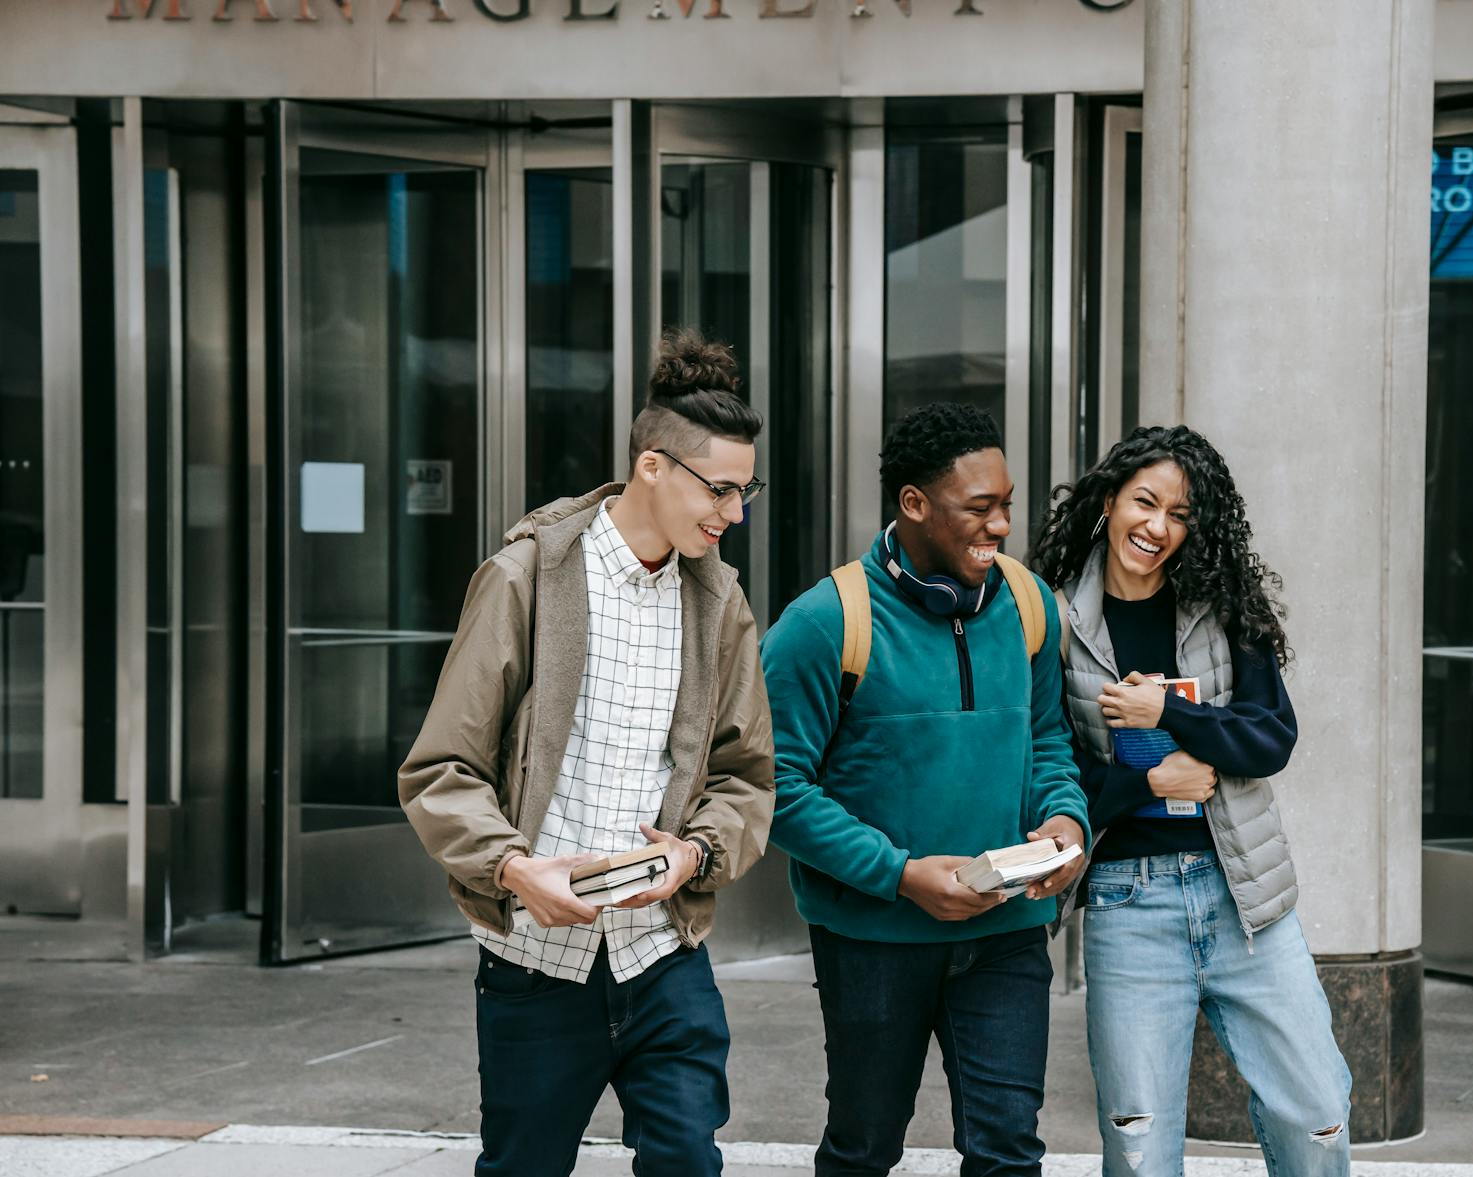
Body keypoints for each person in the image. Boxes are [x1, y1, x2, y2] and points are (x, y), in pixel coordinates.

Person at [397, 328, 776, 1177]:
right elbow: (440, 770)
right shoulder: (527, 577)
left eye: (748, 492)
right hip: (535, 962)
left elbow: (743, 773)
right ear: (652, 466)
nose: (735, 514)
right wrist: (514, 868)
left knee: (686, 1160)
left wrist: (697, 850)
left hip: (662, 953)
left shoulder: (718, 601)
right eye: (720, 490)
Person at [760, 402, 1090, 1177]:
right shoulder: (822, 622)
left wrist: (1064, 819)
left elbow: (1047, 740)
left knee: (1008, 1150)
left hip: (1008, 930)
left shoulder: (1032, 604)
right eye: (980, 508)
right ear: (913, 504)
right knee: (864, 1146)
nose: (1002, 525)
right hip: (874, 941)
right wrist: (902, 874)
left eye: (1007, 504)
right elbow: (776, 786)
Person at [1028, 425, 1352, 1177]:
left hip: (1245, 901)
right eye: (1145, 502)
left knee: (1319, 1115)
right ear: (1110, 501)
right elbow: (1054, 775)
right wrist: (1150, 781)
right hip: (1126, 904)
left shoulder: (1222, 603)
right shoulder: (1053, 620)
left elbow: (1271, 736)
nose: (1158, 527)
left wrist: (1168, 713)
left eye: (1180, 514)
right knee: (1139, 1147)